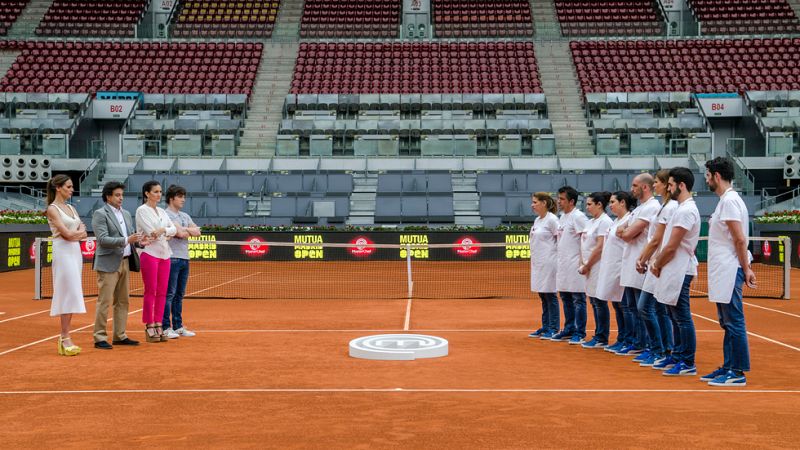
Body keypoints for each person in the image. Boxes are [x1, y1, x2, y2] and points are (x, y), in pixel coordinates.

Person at [702, 157, 755, 386]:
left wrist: (746, 268)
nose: (705, 180)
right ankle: (728, 365)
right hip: (722, 270)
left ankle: (738, 371)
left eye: (707, 175)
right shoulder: (725, 201)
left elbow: (740, 240)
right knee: (726, 322)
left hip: (730, 269)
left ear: (716, 176)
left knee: (734, 321)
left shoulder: (730, 201)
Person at [651, 167, 700, 377]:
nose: (668, 189)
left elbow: (671, 246)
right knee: (673, 315)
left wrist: (656, 264)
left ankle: (687, 361)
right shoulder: (680, 208)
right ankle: (678, 354)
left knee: (682, 317)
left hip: (680, 269)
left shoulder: (687, 210)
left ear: (681, 185)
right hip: (673, 268)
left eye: (670, 184)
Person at [635, 170, 679, 369]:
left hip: (661, 264)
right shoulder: (663, 207)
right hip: (656, 264)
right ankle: (660, 349)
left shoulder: (670, 208)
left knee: (649, 307)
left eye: (657, 183)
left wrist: (644, 258)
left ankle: (662, 349)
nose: (654, 186)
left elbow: (657, 239)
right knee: (656, 308)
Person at [92, 181, 144, 349]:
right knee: (104, 301)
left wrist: (141, 242)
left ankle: (119, 335)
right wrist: (127, 240)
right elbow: (102, 240)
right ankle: (99, 337)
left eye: (122, 195)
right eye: (117, 195)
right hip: (108, 264)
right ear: (108, 197)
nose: (121, 198)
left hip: (125, 262)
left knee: (123, 301)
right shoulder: (100, 214)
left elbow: (131, 238)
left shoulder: (127, 214)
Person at [616, 173, 661, 358]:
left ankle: (647, 345)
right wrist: (626, 231)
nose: (631, 189)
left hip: (641, 263)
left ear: (645, 187)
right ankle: (638, 342)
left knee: (642, 309)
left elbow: (626, 234)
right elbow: (621, 229)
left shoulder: (652, 207)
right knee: (632, 307)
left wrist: (625, 232)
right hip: (631, 262)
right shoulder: (639, 209)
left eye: (635, 185)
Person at [45, 175, 87, 356]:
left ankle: (65, 337)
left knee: (72, 291)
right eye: (69, 187)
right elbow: (68, 235)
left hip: (75, 253)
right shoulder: (52, 209)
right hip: (62, 252)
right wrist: (76, 233)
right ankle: (64, 337)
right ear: (58, 188)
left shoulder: (71, 208)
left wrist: (75, 234)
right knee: (67, 291)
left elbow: (81, 233)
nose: (72, 190)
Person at [136, 181, 177, 343]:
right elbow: (150, 232)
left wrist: (164, 230)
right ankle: (149, 324)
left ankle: (159, 323)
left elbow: (172, 229)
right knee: (150, 290)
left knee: (162, 291)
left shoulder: (161, 211)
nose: (159, 194)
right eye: (155, 192)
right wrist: (164, 232)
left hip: (165, 254)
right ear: (147, 193)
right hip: (149, 254)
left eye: (160, 191)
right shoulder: (141, 210)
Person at [596, 191, 635, 354]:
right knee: (618, 305)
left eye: (613, 202)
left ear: (623, 202)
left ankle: (630, 340)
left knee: (625, 307)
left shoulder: (630, 219)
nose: (610, 205)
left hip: (622, 269)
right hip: (611, 269)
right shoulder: (615, 222)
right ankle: (621, 338)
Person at [163, 185, 201, 339]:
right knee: (169, 294)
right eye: (180, 197)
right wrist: (186, 230)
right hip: (171, 258)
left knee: (179, 294)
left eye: (184, 196)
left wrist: (186, 230)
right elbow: (178, 233)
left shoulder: (185, 215)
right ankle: (166, 326)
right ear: (172, 198)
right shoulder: (165, 214)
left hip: (185, 258)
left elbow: (197, 232)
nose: (183, 200)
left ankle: (178, 326)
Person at [552, 186, 588, 344]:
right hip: (563, 265)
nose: (558, 202)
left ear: (572, 201)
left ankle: (579, 332)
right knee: (566, 297)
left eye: (562, 199)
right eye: (558, 198)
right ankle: (568, 328)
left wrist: (582, 261)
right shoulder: (562, 217)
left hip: (575, 265)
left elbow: (585, 241)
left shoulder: (578, 217)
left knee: (578, 299)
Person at [578, 191, 613, 349]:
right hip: (588, 267)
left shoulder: (604, 222)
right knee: (593, 301)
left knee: (599, 302)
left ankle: (601, 337)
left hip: (597, 267)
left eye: (590, 204)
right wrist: (582, 262)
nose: (587, 207)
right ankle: (599, 335)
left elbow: (600, 247)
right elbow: (584, 244)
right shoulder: (591, 222)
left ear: (599, 205)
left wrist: (587, 265)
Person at [528, 192, 560, 339]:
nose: (532, 205)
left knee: (550, 294)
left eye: (535, 202)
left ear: (544, 203)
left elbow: (560, 240)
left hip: (549, 262)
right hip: (538, 263)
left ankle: (554, 328)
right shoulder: (537, 220)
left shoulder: (552, 220)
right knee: (543, 294)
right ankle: (546, 325)